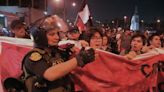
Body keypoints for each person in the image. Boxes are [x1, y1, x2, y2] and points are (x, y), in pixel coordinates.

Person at [22, 18, 95, 92]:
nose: (57, 37)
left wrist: (80, 51)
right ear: (40, 36)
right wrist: (80, 58)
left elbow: (67, 65)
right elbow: (50, 74)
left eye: (57, 34)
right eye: (51, 34)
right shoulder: (32, 57)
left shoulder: (56, 52)